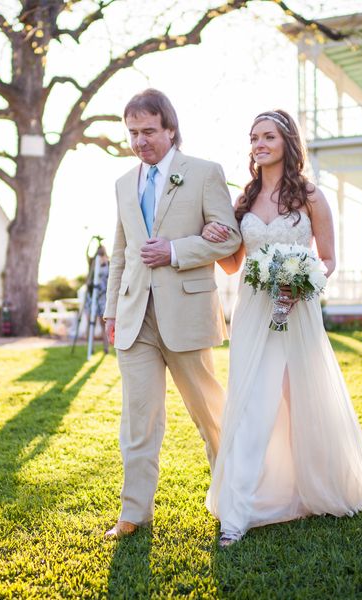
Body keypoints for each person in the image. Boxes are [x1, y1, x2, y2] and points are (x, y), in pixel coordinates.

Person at [201, 109, 362, 548]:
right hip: (253, 313)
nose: (259, 144)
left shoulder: (312, 197)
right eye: (253, 137)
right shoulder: (244, 200)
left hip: (296, 312)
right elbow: (231, 264)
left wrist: (301, 282)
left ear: (287, 143)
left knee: (305, 403)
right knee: (252, 407)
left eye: (268, 137)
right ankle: (237, 515)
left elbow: (329, 258)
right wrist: (213, 235)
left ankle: (320, 486)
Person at [103, 89, 242, 540]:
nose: (139, 141)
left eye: (147, 131)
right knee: (138, 419)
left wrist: (177, 250)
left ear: (169, 129)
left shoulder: (204, 173)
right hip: (134, 317)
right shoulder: (124, 183)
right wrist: (110, 312)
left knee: (209, 414)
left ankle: (231, 499)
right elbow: (120, 252)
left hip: (186, 314)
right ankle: (134, 512)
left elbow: (228, 239)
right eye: (132, 133)